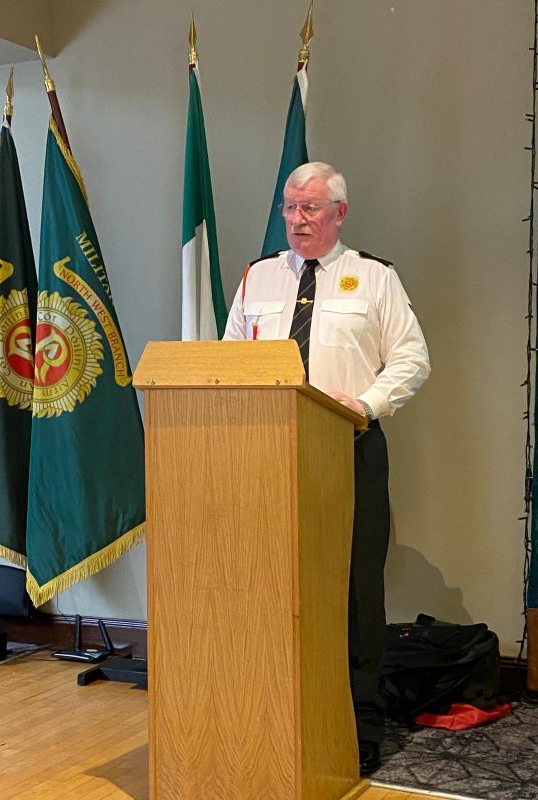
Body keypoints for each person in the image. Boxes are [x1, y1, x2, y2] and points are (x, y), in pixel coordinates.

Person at [223, 161, 430, 774]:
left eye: (310, 207)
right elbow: (229, 359)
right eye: (290, 207)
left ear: (340, 213)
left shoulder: (374, 278)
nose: (298, 219)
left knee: (355, 589)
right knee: (269, 580)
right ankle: (270, 710)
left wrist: (364, 404)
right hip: (267, 449)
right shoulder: (257, 277)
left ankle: (357, 723)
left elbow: (412, 358)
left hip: (347, 445)